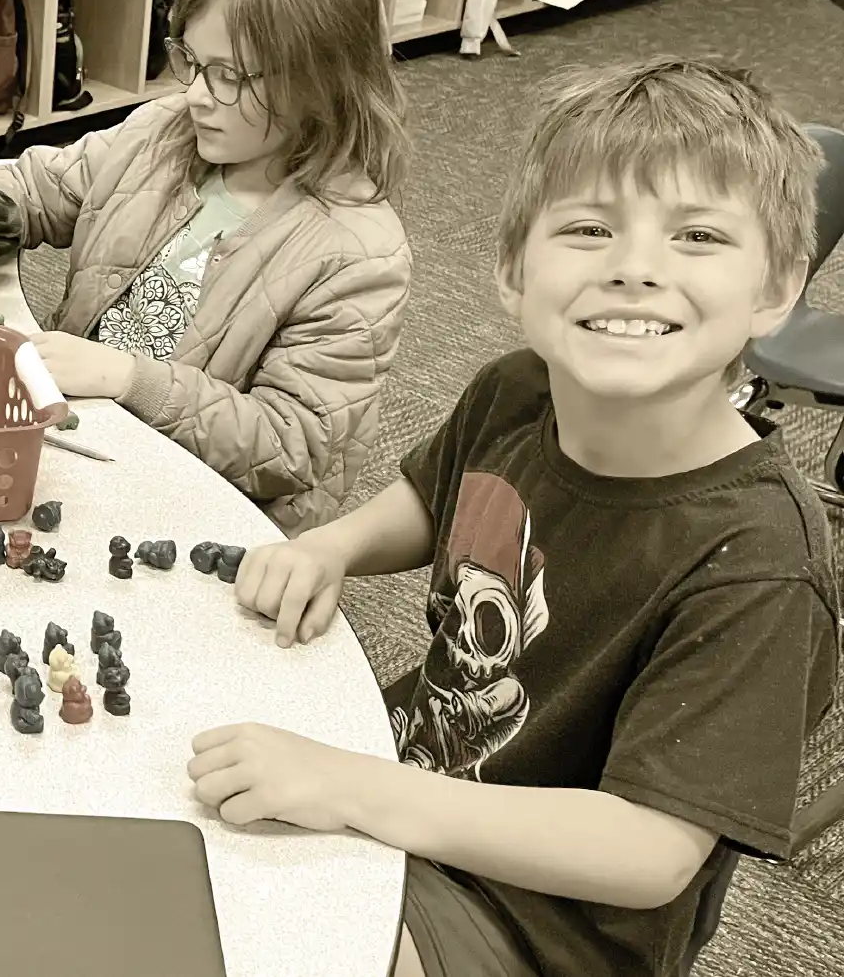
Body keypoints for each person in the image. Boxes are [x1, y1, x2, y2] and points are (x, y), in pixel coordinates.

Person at [190, 59, 838, 977]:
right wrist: (335, 544)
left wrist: (354, 789)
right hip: (406, 773)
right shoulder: (518, 390)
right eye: (587, 229)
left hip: (535, 926)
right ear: (511, 273)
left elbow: (649, 850)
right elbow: (435, 497)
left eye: (697, 236)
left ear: (775, 289)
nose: (635, 269)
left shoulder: (758, 561)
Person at [0, 0, 411, 535]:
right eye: (191, 62)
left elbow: (288, 446)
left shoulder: (359, 253)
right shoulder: (163, 132)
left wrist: (126, 378)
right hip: (82, 444)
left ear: (319, 82)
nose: (197, 94)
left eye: (229, 76)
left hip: (202, 513)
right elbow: (40, 186)